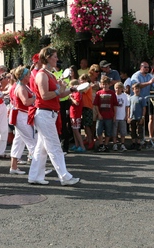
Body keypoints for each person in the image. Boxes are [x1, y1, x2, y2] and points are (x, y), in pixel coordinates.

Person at [27, 47, 80, 186]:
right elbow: (45, 95)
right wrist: (59, 89)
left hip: (48, 113)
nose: (57, 59)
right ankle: (65, 177)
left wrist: (70, 89)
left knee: (42, 147)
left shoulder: (49, 74)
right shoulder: (42, 75)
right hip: (44, 113)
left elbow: (59, 94)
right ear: (48, 57)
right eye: (55, 56)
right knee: (55, 146)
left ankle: (34, 176)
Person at [9, 66, 37, 174]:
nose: (30, 76)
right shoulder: (21, 88)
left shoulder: (23, 86)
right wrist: (36, 98)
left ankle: (14, 167)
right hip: (22, 116)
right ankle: (38, 169)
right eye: (28, 75)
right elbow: (26, 102)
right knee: (32, 142)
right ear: (24, 76)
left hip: (22, 116)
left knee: (18, 142)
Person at [93, 76, 116, 151]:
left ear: (109, 84)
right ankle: (101, 144)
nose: (105, 85)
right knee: (98, 130)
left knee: (108, 131)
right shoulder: (98, 93)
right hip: (101, 115)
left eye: (106, 84)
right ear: (101, 84)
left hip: (109, 115)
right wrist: (98, 114)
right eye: (103, 84)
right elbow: (95, 104)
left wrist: (114, 115)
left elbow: (115, 105)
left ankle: (106, 145)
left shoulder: (112, 93)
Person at [113, 82, 129, 151]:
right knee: (114, 131)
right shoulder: (113, 95)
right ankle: (114, 144)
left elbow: (127, 106)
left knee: (123, 131)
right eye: (116, 88)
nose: (118, 90)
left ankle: (122, 144)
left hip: (122, 116)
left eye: (119, 88)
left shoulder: (124, 96)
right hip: (115, 116)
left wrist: (127, 115)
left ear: (122, 89)